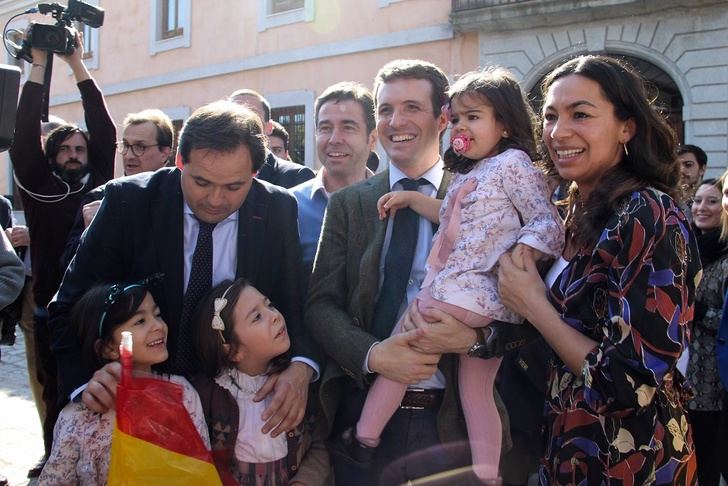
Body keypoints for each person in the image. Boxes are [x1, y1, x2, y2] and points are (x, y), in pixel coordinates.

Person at [48, 100, 318, 442]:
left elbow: (293, 301)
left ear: (255, 173)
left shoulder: (277, 208)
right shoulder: (128, 202)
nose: (216, 200)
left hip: (235, 414)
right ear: (178, 161)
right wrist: (86, 383)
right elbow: (67, 306)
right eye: (202, 182)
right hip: (138, 406)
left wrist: (301, 367)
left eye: (234, 186)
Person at [306, 59, 519, 484]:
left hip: (453, 426)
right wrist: (372, 354)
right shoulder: (350, 203)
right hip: (363, 412)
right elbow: (320, 304)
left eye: (411, 108)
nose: (395, 121)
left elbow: (525, 311)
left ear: (443, 118)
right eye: (385, 110)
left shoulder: (488, 193)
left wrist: (476, 340)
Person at [346, 67, 563, 481]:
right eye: (458, 118)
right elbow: (448, 215)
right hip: (480, 300)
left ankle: (363, 438)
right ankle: (487, 475)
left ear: (504, 123)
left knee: (402, 353)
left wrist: (519, 257)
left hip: (462, 291)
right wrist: (411, 198)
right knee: (476, 390)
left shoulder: (513, 164)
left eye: (474, 117)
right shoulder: (471, 173)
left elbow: (547, 223)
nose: (462, 127)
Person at [497, 55, 700, 484]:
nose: (557, 132)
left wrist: (535, 304)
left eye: (581, 115)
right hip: (563, 454)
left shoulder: (649, 214)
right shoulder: (563, 213)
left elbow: (629, 383)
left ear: (627, 127)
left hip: (632, 462)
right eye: (550, 116)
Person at [8, 30, 115, 472]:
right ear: (51, 156)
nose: (74, 154)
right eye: (66, 149)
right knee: (51, 383)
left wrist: (76, 64)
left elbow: (105, 131)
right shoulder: (39, 187)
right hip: (49, 303)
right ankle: (55, 455)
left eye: (80, 149)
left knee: (100, 382)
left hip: (97, 302)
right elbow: (22, 137)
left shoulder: (100, 184)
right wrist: (37, 65)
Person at [40, 281, 210, 485]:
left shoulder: (183, 394)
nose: (158, 325)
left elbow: (200, 468)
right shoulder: (78, 419)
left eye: (157, 314)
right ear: (109, 348)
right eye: (140, 321)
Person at [189, 279, 329, 485]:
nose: (275, 316)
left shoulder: (299, 385)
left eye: (270, 304)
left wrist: (304, 482)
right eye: (257, 317)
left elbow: (321, 445)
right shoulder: (208, 395)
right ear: (234, 350)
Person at [60, 108, 175, 269]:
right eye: (126, 145)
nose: (129, 155)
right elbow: (67, 266)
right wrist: (90, 233)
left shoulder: (181, 199)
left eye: (140, 147)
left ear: (164, 153)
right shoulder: (99, 198)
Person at [290, 81, 377, 280]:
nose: (334, 139)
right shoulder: (289, 205)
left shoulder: (391, 202)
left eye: (348, 127)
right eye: (325, 128)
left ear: (372, 139)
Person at [685, 176, 728, 486]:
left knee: (711, 458)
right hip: (681, 374)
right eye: (697, 200)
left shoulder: (725, 258)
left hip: (713, 381)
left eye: (712, 200)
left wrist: (697, 312)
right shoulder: (686, 245)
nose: (702, 207)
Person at [229, 89, 315, 188]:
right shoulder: (212, 171)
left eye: (252, 116)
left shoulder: (297, 176)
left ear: (268, 128)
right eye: (233, 117)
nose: (242, 123)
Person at [677, 144, 708, 220]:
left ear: (702, 169)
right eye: (676, 166)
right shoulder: (666, 201)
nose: (681, 170)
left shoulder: (712, 200)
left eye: (688, 165)